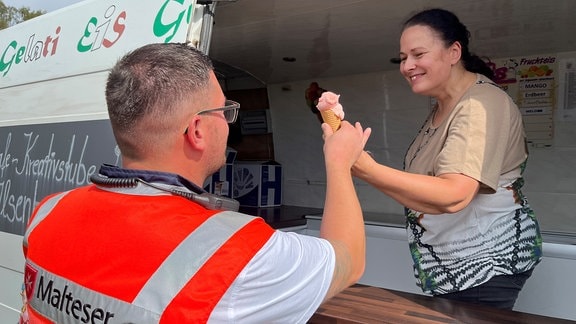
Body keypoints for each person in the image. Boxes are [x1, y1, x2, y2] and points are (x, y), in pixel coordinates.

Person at [20, 43, 371, 323]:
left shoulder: (47, 212)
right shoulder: (237, 253)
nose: (228, 124)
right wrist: (339, 163)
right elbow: (349, 261)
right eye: (225, 111)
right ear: (197, 131)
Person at [352, 8, 542, 309]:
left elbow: (454, 194)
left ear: (454, 52)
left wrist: (366, 169)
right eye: (403, 58)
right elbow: (420, 191)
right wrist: (363, 164)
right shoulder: (445, 108)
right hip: (453, 269)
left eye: (418, 54)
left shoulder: (480, 105)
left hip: (483, 266)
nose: (407, 66)